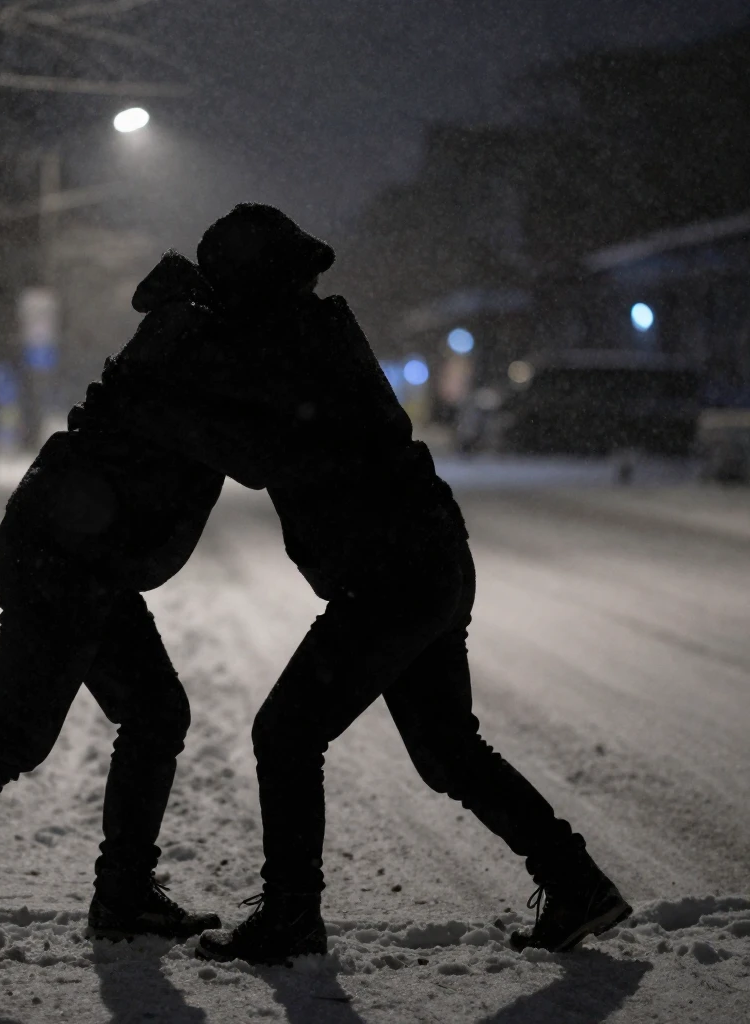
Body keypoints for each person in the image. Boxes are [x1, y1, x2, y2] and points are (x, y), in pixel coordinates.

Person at [109, 203, 632, 966]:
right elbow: (245, 389)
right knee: (447, 750)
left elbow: (250, 449)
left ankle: (292, 914)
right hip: (426, 560)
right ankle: (575, 882)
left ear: (250, 283)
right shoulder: (309, 330)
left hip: (392, 575)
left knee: (287, 733)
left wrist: (174, 351)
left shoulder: (295, 341)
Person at [0, 255, 250, 947]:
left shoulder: (189, 330)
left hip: (79, 547)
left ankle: (121, 895)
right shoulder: (197, 339)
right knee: (20, 730)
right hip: (68, 551)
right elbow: (251, 448)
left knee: (153, 712)